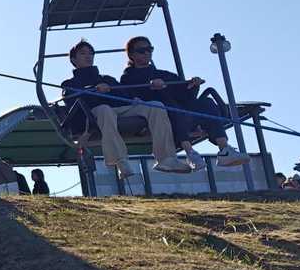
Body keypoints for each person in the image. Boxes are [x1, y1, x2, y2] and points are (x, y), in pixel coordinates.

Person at [61, 39, 189, 182]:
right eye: (83, 53)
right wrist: (93, 91)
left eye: (91, 53)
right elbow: (72, 101)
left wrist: (112, 92)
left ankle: (166, 158)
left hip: (117, 110)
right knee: (104, 110)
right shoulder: (70, 83)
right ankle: (120, 161)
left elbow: (124, 97)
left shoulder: (107, 79)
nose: (88, 56)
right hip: (90, 115)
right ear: (74, 59)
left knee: (155, 106)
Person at [119, 37, 249, 169]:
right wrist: (150, 88)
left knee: (207, 103)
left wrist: (192, 85)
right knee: (169, 107)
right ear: (132, 55)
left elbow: (185, 96)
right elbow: (131, 98)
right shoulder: (128, 78)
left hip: (181, 110)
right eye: (142, 50)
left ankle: (224, 149)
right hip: (162, 114)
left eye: (149, 49)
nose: (147, 53)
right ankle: (190, 152)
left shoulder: (165, 74)